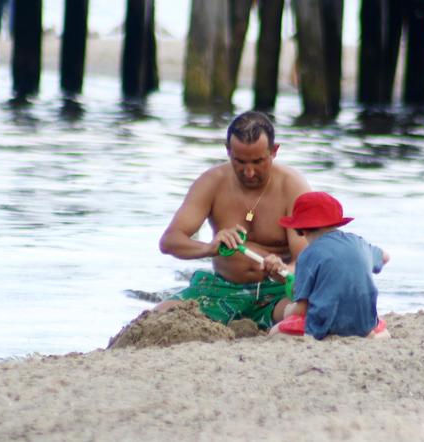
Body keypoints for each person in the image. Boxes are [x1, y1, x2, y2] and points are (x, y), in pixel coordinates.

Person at [156, 111, 311, 329]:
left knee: (301, 314)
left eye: (258, 161)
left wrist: (283, 270)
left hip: (275, 293)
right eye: (239, 161)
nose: (249, 172)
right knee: (156, 317)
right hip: (221, 289)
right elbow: (169, 241)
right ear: (228, 151)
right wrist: (209, 248)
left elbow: (305, 260)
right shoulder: (211, 182)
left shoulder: (292, 186)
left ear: (274, 151)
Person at [268, 191, 390, 339]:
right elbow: (385, 257)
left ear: (300, 230)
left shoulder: (308, 255)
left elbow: (301, 309)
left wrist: (288, 310)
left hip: (325, 326)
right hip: (365, 323)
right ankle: (374, 335)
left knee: (275, 332)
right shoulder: (360, 243)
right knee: (379, 327)